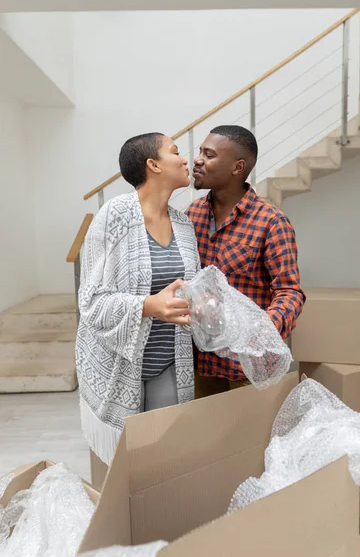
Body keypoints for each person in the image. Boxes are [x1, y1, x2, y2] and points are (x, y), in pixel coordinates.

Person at [76, 133, 200, 467]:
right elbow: (91, 301)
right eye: (175, 152)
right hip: (119, 363)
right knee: (127, 468)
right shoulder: (114, 216)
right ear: (153, 164)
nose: (185, 159)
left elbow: (187, 291)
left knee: (163, 461)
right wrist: (148, 305)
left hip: (169, 361)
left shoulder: (185, 226)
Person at [186, 125, 305, 398]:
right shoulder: (191, 216)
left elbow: (290, 293)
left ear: (237, 167)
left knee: (249, 441)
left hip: (247, 369)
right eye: (200, 152)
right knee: (203, 439)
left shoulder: (271, 222)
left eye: (209, 154)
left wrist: (259, 333)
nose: (198, 160)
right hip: (200, 364)